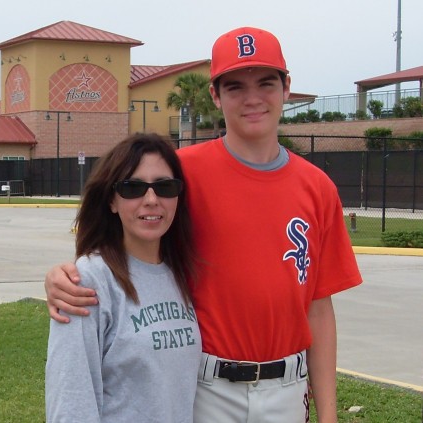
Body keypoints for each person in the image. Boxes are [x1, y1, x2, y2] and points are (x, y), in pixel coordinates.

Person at [45, 27, 362, 423]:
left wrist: (329, 415)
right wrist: (63, 275)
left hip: (288, 386)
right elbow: (120, 235)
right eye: (234, 87)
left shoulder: (317, 188)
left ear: (286, 87)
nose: (252, 98)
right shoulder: (181, 175)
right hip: (204, 387)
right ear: (215, 94)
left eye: (266, 83)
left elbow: (319, 308)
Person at [45, 133, 202, 423]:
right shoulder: (88, 281)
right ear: (112, 201)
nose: (152, 200)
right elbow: (70, 400)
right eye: (133, 188)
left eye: (165, 187)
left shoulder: (180, 274)